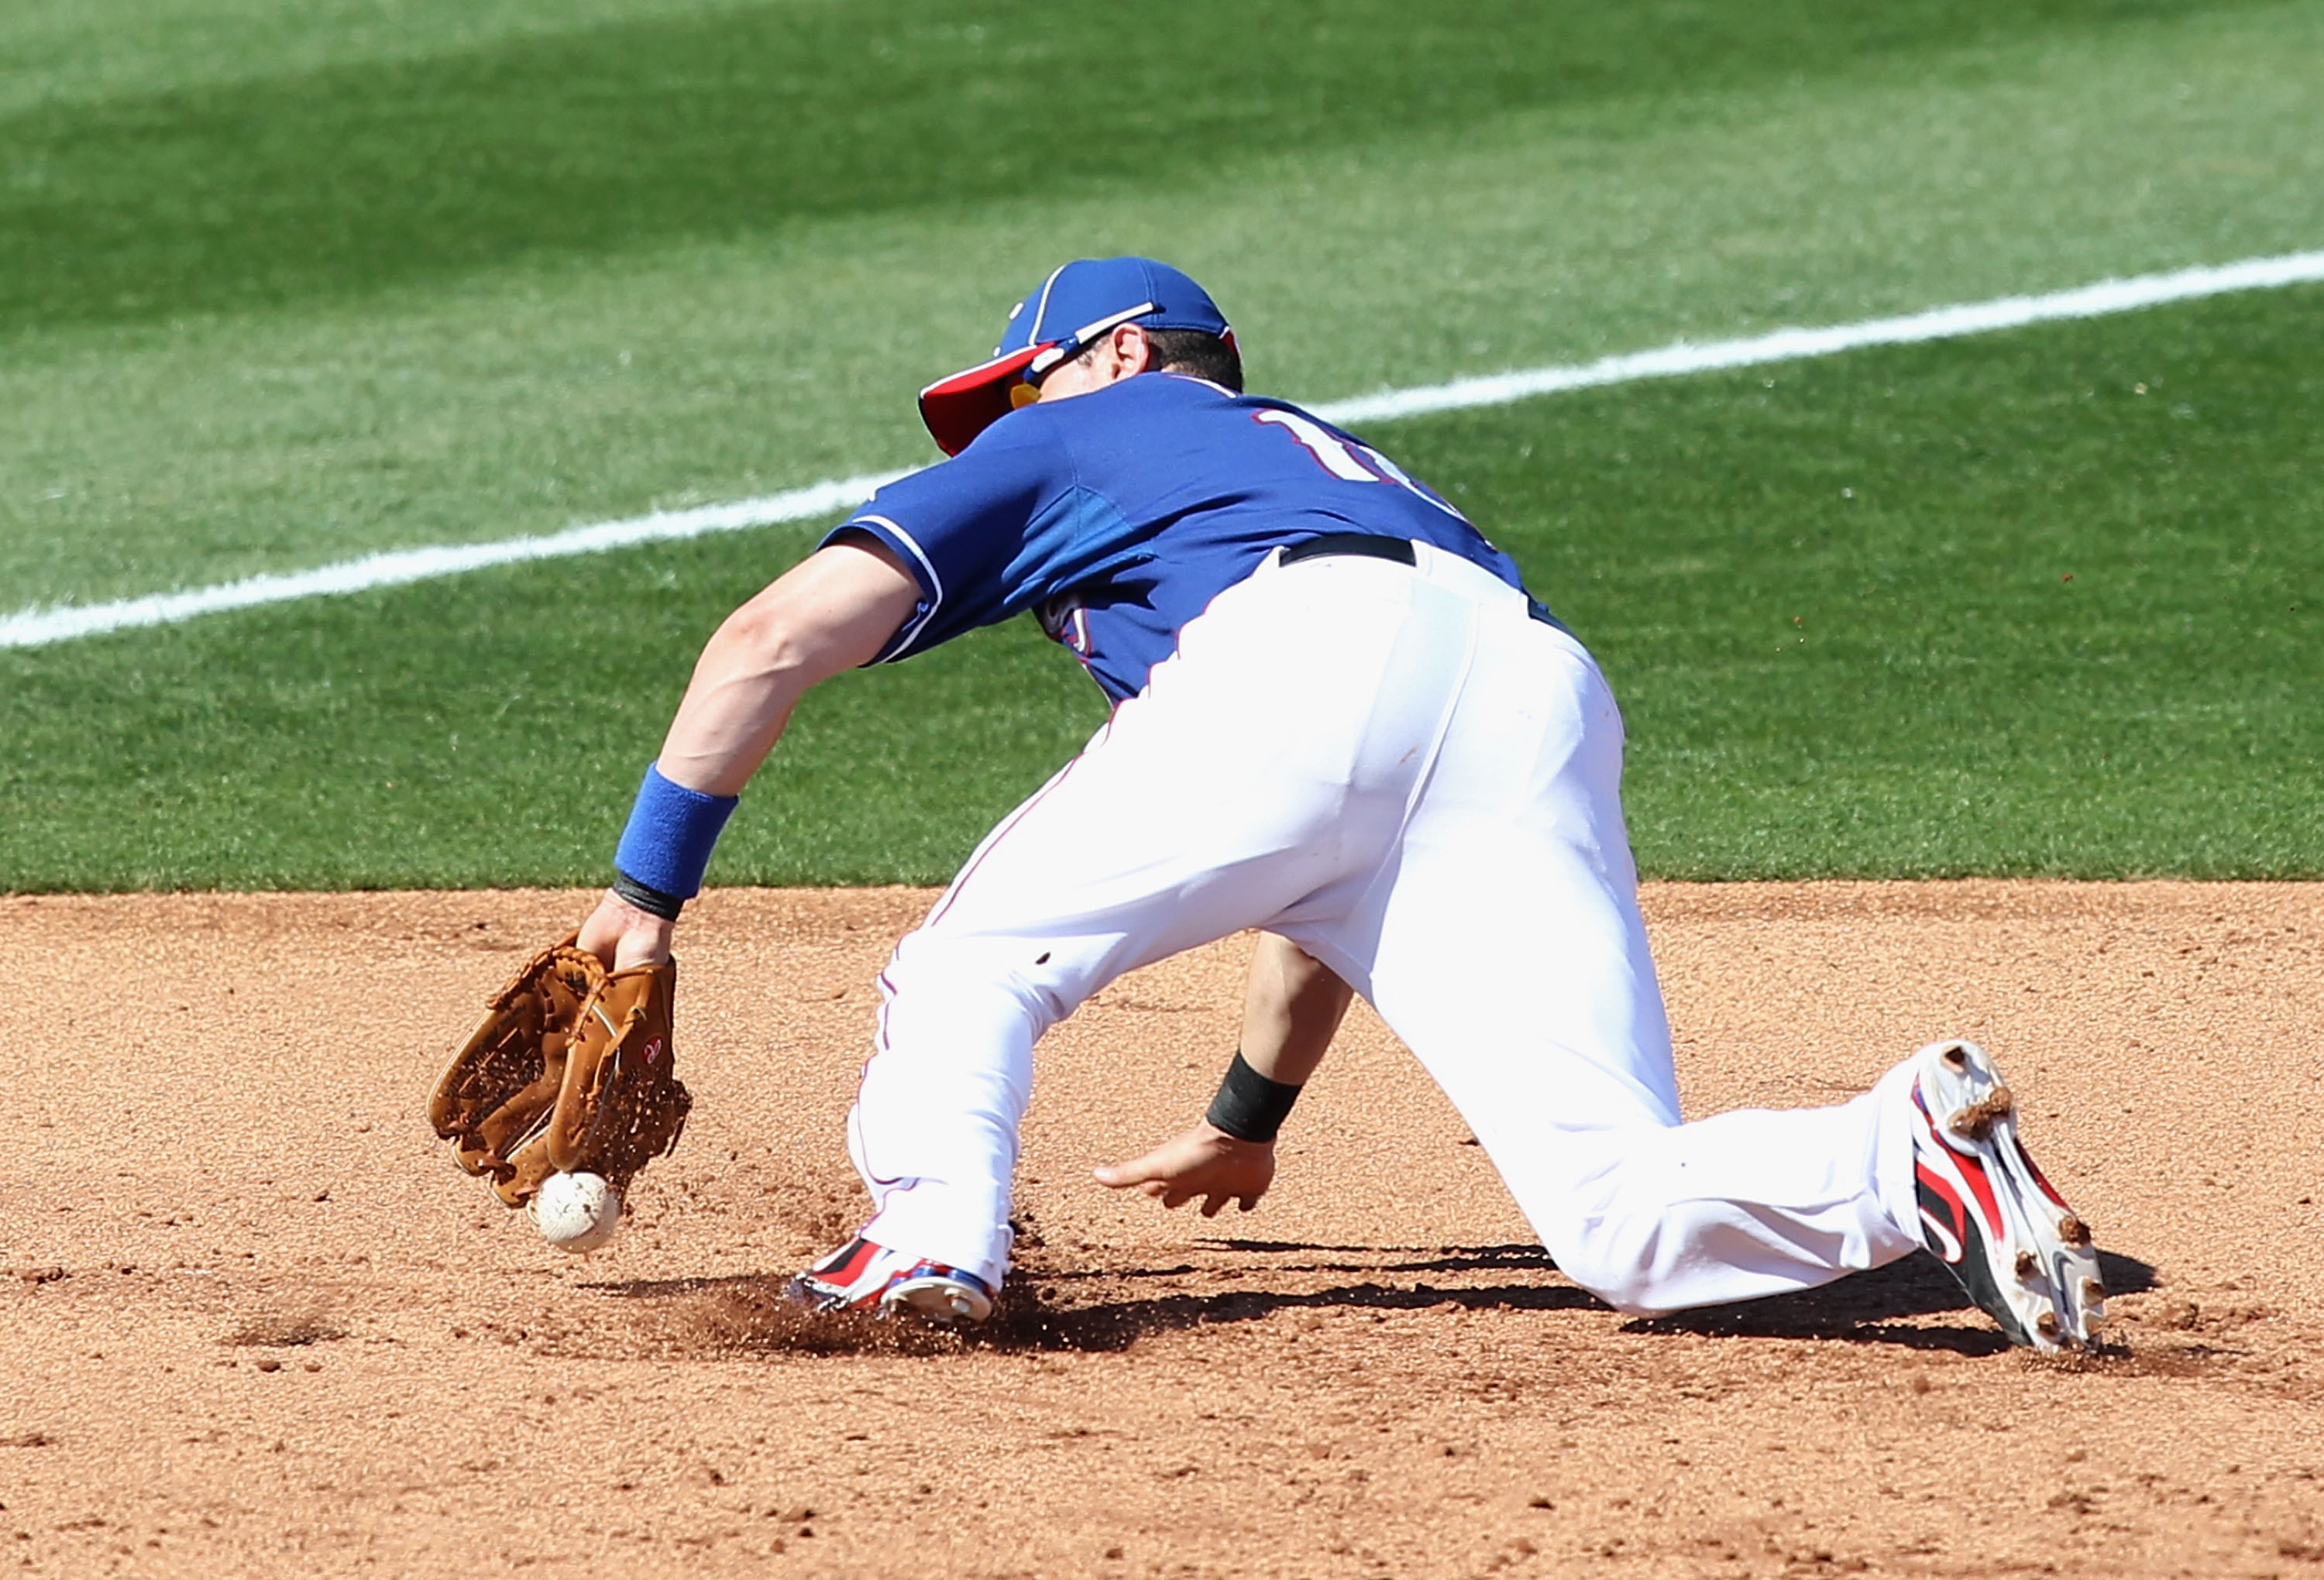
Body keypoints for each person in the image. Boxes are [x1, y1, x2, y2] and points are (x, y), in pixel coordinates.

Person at [573, 257, 2105, 1348]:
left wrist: (644, 894)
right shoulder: (1349, 477)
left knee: (966, 969)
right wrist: (1246, 1117)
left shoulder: (1096, 428)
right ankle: (1905, 1146)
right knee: (1627, 1221)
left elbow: (771, 638)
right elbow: (1330, 850)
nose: (997, 436)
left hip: (1308, 656)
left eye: (1015, 395)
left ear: (1115, 354)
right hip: (1525, 682)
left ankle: (921, 1245)